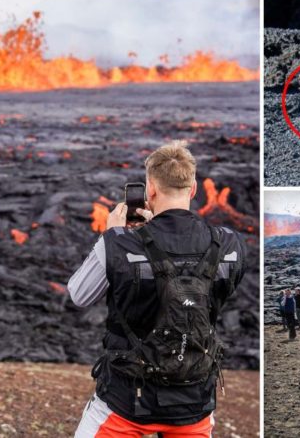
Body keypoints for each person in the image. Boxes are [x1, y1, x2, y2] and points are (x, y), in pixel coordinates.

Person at [68, 140, 246, 437]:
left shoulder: (119, 242)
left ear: (150, 189)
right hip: (194, 401)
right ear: (192, 190)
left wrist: (113, 237)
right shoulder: (229, 244)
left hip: (127, 400)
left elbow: (80, 295)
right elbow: (216, 294)